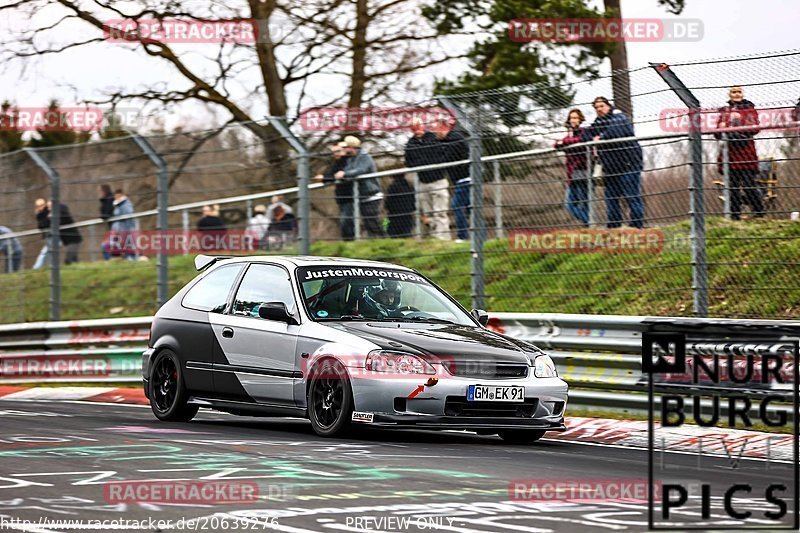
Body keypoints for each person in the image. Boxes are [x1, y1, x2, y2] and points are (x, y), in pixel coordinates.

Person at [590, 96, 645, 229]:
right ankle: (614, 225)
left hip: (629, 164)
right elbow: (587, 136)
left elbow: (617, 131)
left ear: (608, 105)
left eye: (601, 106)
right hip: (611, 168)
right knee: (611, 198)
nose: (599, 109)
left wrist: (601, 138)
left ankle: (637, 226)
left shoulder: (619, 116)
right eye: (596, 107)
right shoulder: (598, 122)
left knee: (631, 196)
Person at [714, 86, 764, 220]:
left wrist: (738, 120)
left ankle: (759, 212)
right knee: (732, 188)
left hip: (746, 152)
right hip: (729, 154)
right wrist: (722, 127)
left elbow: (755, 127)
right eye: (733, 92)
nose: (736, 94)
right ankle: (735, 215)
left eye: (739, 92)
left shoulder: (749, 109)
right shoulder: (725, 111)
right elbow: (717, 132)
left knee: (749, 185)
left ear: (742, 94)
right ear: (729, 95)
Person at [405, 118, 448, 239]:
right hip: (423, 181)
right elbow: (409, 163)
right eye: (413, 128)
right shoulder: (411, 144)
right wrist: (424, 162)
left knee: (440, 211)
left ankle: (442, 238)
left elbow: (439, 156)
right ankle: (434, 237)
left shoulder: (433, 138)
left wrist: (422, 162)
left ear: (422, 126)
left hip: (438, 179)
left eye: (418, 126)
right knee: (428, 213)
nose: (416, 130)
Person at [336, 136, 384, 238]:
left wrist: (344, 174)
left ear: (351, 147)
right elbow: (349, 171)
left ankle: (384, 238)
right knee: (367, 222)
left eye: (346, 147)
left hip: (371, 194)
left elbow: (361, 170)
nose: (344, 149)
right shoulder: (350, 160)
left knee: (372, 220)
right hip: (361, 195)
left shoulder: (365, 157)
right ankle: (375, 242)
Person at [554, 109, 593, 226]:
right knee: (569, 204)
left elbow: (581, 141)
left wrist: (564, 142)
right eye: (571, 118)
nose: (573, 120)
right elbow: (556, 145)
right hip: (572, 175)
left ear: (580, 119)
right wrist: (564, 142)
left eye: (575, 118)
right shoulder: (570, 134)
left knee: (584, 203)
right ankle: (589, 223)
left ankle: (590, 226)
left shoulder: (584, 131)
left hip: (583, 172)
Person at [436, 120, 470, 241]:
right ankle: (477, 235)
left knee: (457, 206)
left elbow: (448, 158)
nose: (435, 133)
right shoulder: (448, 140)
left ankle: (463, 236)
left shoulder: (453, 138)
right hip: (460, 179)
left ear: (443, 127)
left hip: (464, 178)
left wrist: (438, 159)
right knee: (470, 208)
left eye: (436, 130)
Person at [314, 143, 353, 240]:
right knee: (345, 221)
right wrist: (324, 178)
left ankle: (351, 241)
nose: (336, 154)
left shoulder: (348, 161)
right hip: (342, 196)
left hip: (350, 195)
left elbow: (336, 176)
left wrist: (325, 178)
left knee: (347, 221)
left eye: (338, 151)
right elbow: (331, 174)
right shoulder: (336, 163)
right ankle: (348, 242)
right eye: (334, 152)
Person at [105, 189, 137, 260]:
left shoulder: (125, 204)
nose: (117, 198)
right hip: (118, 231)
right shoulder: (117, 205)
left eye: (118, 196)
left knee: (128, 248)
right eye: (116, 196)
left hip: (126, 230)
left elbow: (129, 214)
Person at [385, 174, 415, 238]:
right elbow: (413, 201)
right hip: (407, 214)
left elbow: (388, 203)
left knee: (388, 228)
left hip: (394, 215)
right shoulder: (409, 186)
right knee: (406, 233)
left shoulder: (392, 187)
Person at [32, 198, 50, 270]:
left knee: (45, 252)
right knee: (47, 251)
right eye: (38, 206)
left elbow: (45, 223)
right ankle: (44, 266)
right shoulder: (39, 214)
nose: (40, 207)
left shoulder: (47, 211)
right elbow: (40, 225)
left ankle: (37, 267)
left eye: (41, 205)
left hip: (50, 234)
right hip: (46, 235)